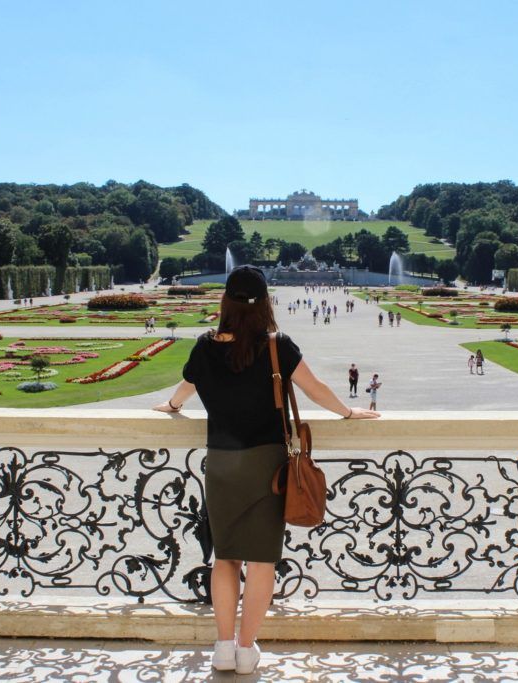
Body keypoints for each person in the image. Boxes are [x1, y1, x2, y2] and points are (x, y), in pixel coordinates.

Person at [153, 266, 379, 674]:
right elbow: (315, 389)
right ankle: (245, 649)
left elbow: (185, 388)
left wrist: (171, 407)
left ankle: (222, 647)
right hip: (267, 466)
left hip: (221, 464)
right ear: (265, 303)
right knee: (261, 563)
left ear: (226, 301)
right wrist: (348, 411)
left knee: (225, 560)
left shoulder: (204, 347)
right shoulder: (277, 345)